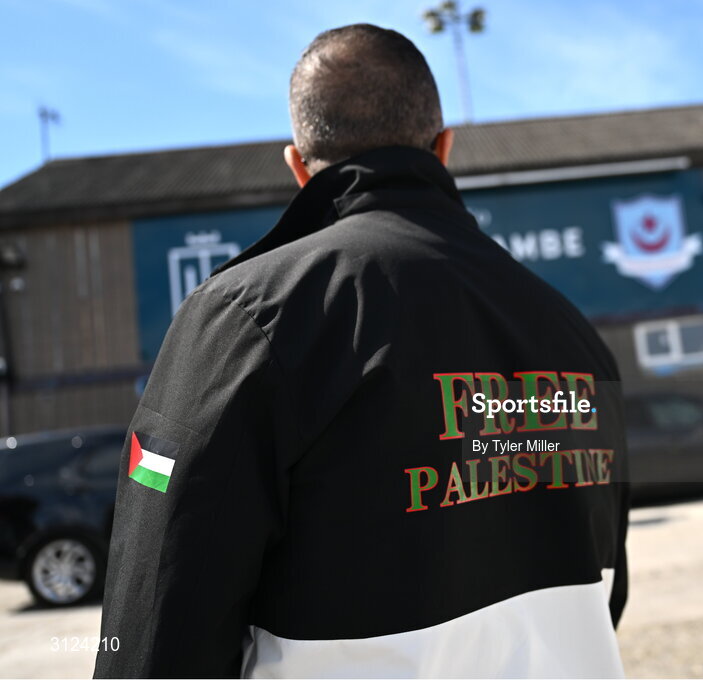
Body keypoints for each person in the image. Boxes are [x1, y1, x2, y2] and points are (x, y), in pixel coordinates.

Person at [94, 24, 629, 678]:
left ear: (298, 166)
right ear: (443, 148)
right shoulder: (576, 335)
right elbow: (603, 590)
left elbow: (157, 624)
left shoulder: (247, 318)